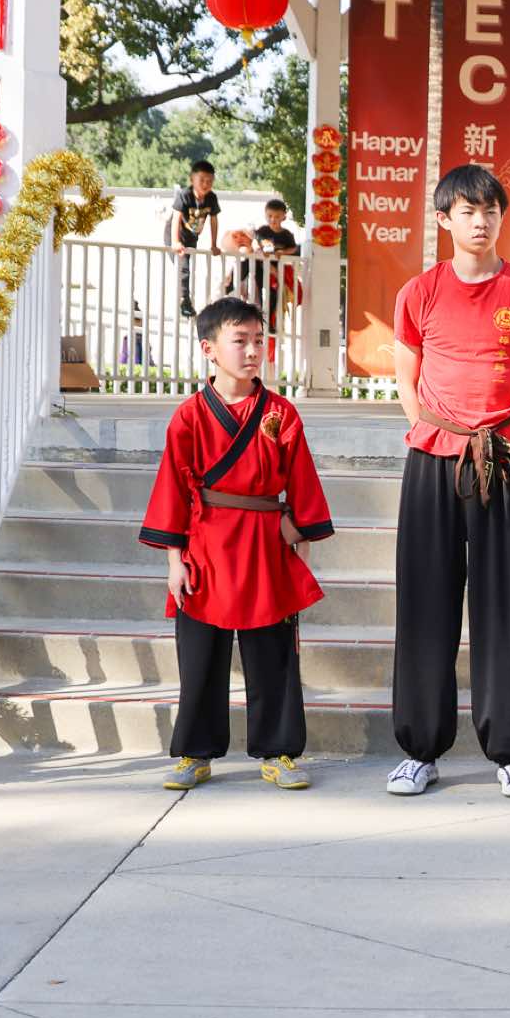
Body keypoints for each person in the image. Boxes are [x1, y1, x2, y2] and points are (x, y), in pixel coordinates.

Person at [385, 165, 510, 800]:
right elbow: (406, 379)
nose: (480, 221)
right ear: (444, 219)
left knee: (508, 606)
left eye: (490, 210)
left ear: (502, 217)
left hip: (505, 461)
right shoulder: (419, 292)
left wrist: (500, 437)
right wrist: (437, 434)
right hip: (432, 459)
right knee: (425, 602)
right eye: (467, 211)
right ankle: (420, 749)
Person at [141, 296, 334, 792]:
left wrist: (301, 546)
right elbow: (172, 488)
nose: (252, 351)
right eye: (239, 340)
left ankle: (279, 750)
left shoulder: (281, 413)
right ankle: (195, 752)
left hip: (266, 544)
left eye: (258, 341)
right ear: (209, 348)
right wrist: (174, 562)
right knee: (200, 656)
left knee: (273, 655)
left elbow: (302, 483)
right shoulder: (189, 416)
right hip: (205, 544)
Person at [242, 198, 301, 366]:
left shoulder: (286, 235)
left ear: (283, 217)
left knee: (273, 294)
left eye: (277, 216)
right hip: (262, 268)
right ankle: (232, 284)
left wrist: (283, 252)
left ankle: (268, 323)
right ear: (265, 215)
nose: (273, 220)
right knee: (259, 289)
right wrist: (260, 251)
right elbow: (255, 244)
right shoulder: (262, 231)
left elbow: (294, 249)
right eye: (270, 216)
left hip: (276, 271)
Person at [167, 159, 220, 319]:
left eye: (209, 181)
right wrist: (175, 241)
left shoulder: (211, 198)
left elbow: (214, 220)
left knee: (188, 266)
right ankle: (184, 301)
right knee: (183, 266)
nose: (205, 184)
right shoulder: (185, 195)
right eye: (201, 180)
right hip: (175, 233)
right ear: (192, 179)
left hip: (192, 236)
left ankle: (186, 297)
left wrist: (214, 244)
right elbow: (176, 218)